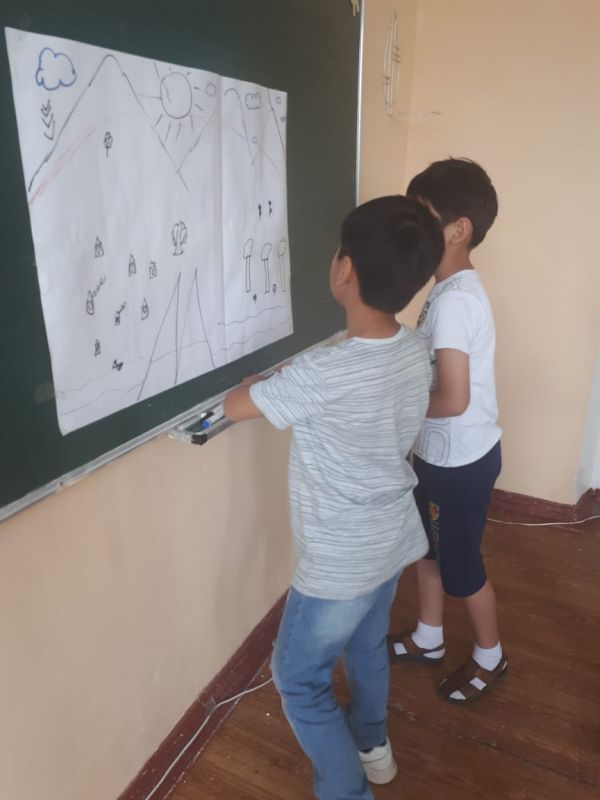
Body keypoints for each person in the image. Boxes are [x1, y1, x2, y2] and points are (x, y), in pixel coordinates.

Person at [224, 195, 444, 800]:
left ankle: (348, 791)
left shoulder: (322, 373)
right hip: (391, 538)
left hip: (339, 559)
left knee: (298, 680)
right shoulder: (413, 348)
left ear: (344, 269)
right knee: (366, 644)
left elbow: (236, 407)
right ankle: (374, 749)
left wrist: (258, 384)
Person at [388, 158, 507, 703]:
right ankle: (429, 637)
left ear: (459, 230)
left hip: (459, 463)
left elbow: (454, 399)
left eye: (423, 217)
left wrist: (396, 407)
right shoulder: (448, 289)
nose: (412, 229)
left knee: (462, 568)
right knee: (428, 550)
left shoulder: (456, 301)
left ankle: (491, 656)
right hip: (438, 455)